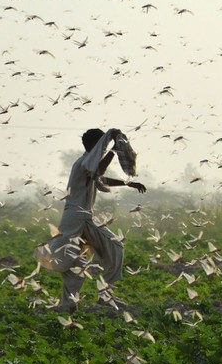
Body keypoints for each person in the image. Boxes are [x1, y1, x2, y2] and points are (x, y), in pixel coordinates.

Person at [41, 128, 146, 313]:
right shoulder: (84, 163)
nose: (103, 150)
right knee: (86, 257)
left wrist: (127, 183)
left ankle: (79, 302)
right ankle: (80, 302)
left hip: (80, 217)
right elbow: (99, 170)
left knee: (78, 260)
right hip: (77, 218)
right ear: (97, 146)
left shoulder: (86, 163)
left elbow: (100, 177)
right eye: (102, 147)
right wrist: (114, 150)